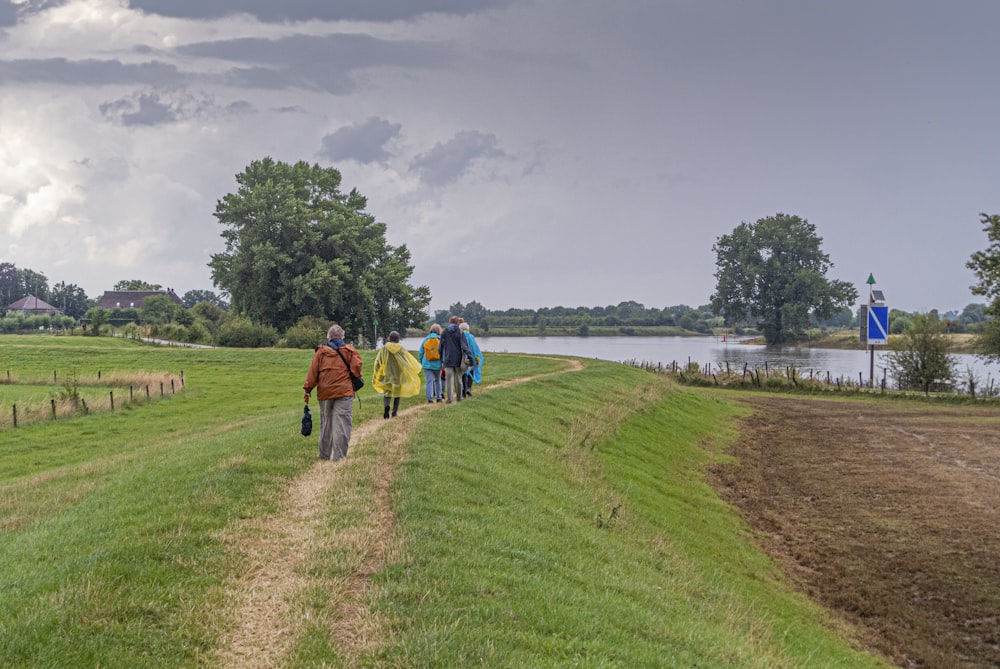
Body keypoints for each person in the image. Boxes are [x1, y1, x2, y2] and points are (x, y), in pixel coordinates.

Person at [303, 323, 362, 461]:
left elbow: (313, 372)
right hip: (344, 392)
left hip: (325, 393)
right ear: (342, 336)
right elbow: (357, 369)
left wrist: (307, 389)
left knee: (326, 424)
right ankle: (339, 458)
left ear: (328, 337)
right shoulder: (349, 351)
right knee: (342, 425)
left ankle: (324, 457)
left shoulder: (321, 352)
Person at [372, 330, 422, 418]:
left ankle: (386, 406)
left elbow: (378, 361)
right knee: (397, 394)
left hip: (387, 373)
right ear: (398, 339)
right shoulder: (401, 349)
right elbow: (407, 360)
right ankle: (394, 412)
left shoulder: (384, 348)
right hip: (398, 374)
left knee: (387, 392)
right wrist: (412, 370)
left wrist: (377, 372)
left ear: (389, 338)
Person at [438, 315, 471, 404]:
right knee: (458, 380)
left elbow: (440, 347)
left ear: (449, 322)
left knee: (448, 380)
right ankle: (459, 397)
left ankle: (449, 399)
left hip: (447, 359)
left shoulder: (444, 332)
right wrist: (470, 356)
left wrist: (441, 357)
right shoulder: (460, 332)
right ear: (457, 323)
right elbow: (464, 346)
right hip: (458, 359)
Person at [417, 323, 444, 403]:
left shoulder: (426, 339)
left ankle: (430, 399)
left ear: (431, 330)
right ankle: (439, 397)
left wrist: (421, 361)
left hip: (427, 363)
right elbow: (443, 352)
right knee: (438, 380)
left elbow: (421, 351)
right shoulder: (440, 340)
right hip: (438, 364)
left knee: (429, 381)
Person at [460, 322, 484, 397]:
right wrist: (476, 359)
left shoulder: (459, 336)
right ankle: (469, 388)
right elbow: (475, 349)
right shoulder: (471, 337)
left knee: (463, 374)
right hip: (470, 357)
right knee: (471, 371)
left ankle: (463, 390)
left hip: (462, 357)